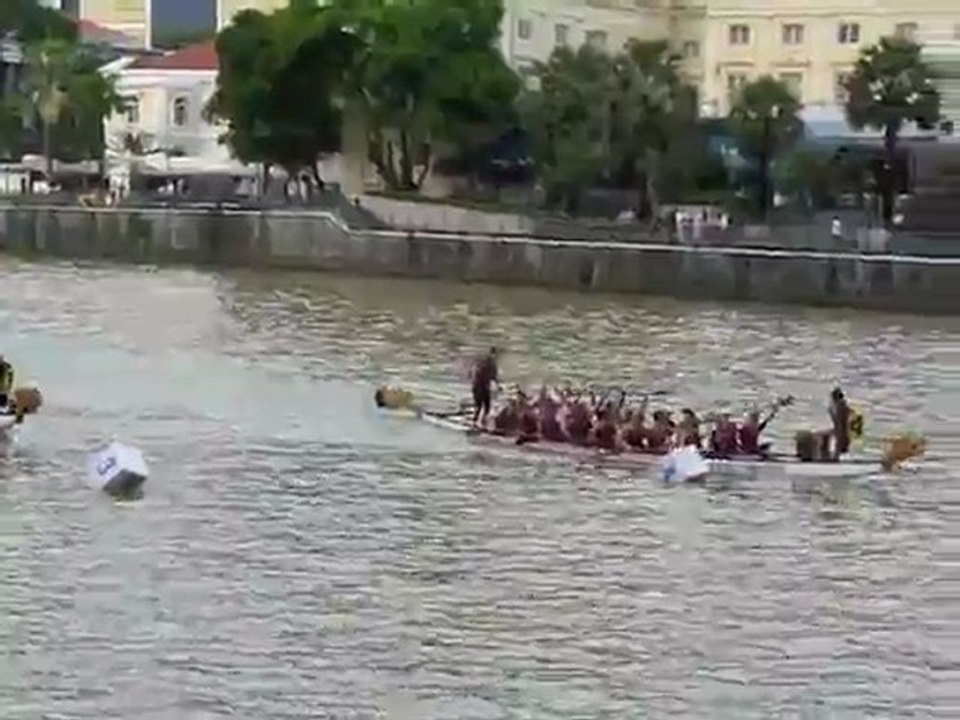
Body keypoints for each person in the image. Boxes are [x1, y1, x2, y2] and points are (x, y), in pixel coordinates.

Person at [471, 347, 500, 428]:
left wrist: (497, 385)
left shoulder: (485, 363)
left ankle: (479, 421)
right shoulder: (489, 364)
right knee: (481, 406)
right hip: (480, 387)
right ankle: (477, 421)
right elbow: (493, 377)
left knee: (484, 406)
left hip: (480, 387)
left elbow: (494, 377)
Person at [829, 387, 852, 459]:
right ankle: (835, 457)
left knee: (839, 445)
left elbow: (839, 419)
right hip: (841, 428)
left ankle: (835, 458)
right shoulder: (841, 405)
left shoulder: (840, 406)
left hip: (841, 428)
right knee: (838, 445)